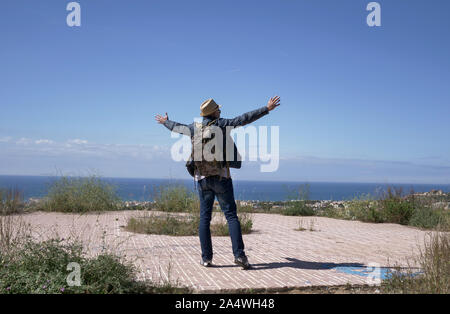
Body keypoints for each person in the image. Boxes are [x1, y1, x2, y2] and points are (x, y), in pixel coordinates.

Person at [155, 96, 281, 269]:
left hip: (202, 179)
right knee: (231, 216)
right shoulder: (221, 124)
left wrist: (165, 122)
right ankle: (239, 256)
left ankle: (206, 259)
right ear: (214, 112)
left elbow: (177, 128)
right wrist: (266, 109)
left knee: (204, 218)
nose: (220, 111)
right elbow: (244, 119)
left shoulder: (194, 128)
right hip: (222, 178)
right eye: (218, 109)